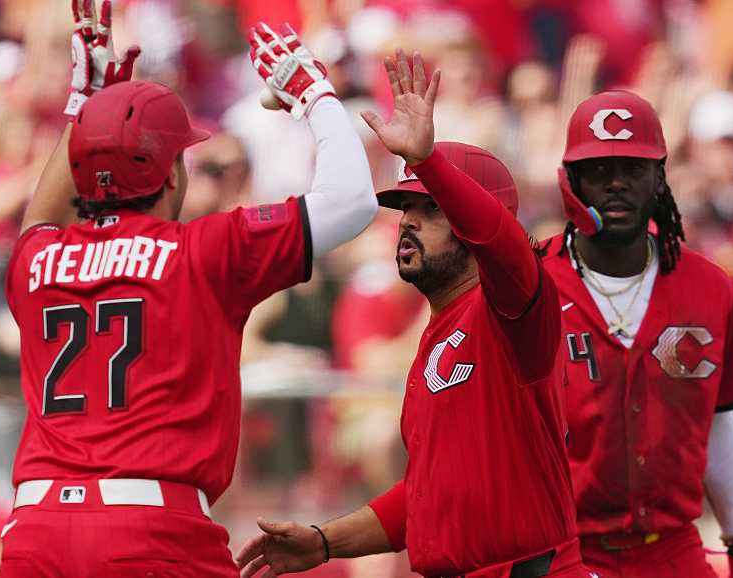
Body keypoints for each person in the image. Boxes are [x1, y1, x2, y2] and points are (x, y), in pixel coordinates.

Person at [0, 4, 376, 577]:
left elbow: (38, 222)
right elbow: (353, 202)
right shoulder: (204, 249)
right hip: (151, 531)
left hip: (34, 529)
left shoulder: (37, 261)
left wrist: (84, 107)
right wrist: (315, 94)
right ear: (172, 173)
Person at [235, 51, 583, 578]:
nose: (408, 222)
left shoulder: (512, 311)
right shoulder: (437, 332)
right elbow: (426, 495)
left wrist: (431, 165)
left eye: (432, 208)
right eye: (406, 209)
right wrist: (325, 541)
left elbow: (506, 247)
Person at [541, 90, 733, 578]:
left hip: (670, 547)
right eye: (599, 171)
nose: (617, 184)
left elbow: (719, 416)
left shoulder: (709, 286)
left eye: (633, 168)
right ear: (572, 180)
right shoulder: (529, 281)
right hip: (560, 548)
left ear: (659, 178)